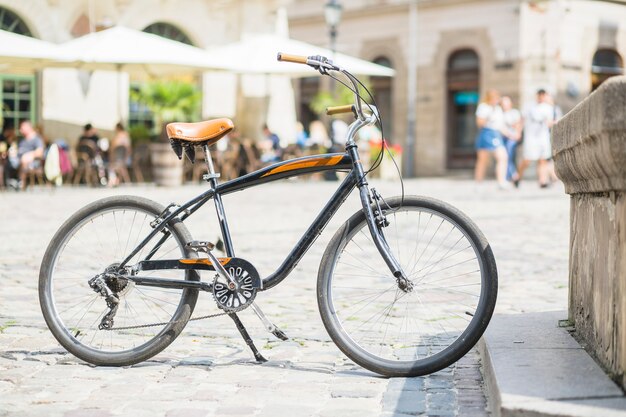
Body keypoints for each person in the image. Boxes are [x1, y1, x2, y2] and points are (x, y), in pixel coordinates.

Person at [515, 89, 555, 188]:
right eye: (540, 95)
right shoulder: (529, 106)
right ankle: (517, 177)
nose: (541, 97)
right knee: (527, 160)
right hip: (531, 137)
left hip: (542, 136)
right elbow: (522, 120)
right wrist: (518, 132)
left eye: (543, 95)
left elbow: (549, 122)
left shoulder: (548, 108)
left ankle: (542, 181)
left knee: (542, 160)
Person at [474, 89, 508, 188]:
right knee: (483, 160)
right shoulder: (484, 107)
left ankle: (501, 181)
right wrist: (489, 116)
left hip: (496, 134)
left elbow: (500, 125)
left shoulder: (498, 109)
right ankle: (478, 183)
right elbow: (480, 123)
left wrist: (510, 134)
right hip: (487, 133)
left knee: (502, 157)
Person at [500, 96, 522, 184]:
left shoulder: (514, 112)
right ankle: (512, 175)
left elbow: (518, 125)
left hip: (513, 138)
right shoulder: (500, 113)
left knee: (509, 155)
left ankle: (512, 175)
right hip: (504, 137)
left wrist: (517, 134)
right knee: (505, 157)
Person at [17, 120, 45, 190]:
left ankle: (21, 182)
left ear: (28, 128)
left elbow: (40, 152)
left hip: (32, 162)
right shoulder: (22, 140)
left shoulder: (36, 139)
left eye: (22, 128)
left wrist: (29, 155)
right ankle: (11, 182)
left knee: (24, 159)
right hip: (17, 160)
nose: (20, 130)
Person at [108, 122, 132, 187]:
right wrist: (125, 158)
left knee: (110, 166)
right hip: (127, 159)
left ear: (117, 128)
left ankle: (112, 181)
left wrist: (111, 159)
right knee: (120, 167)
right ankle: (118, 180)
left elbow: (112, 149)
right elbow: (129, 149)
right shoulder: (127, 136)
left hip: (119, 160)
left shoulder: (117, 137)